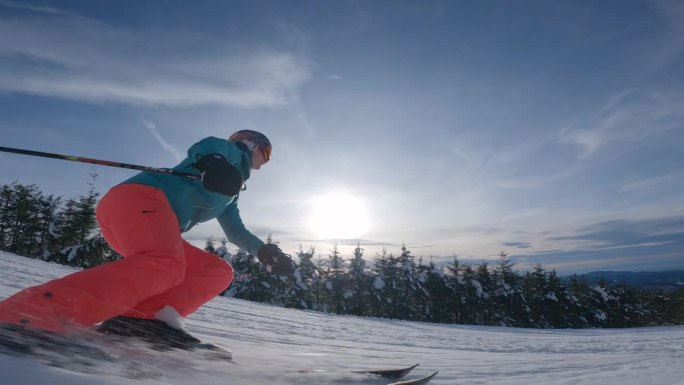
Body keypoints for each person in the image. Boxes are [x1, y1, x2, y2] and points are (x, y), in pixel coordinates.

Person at [0, 130, 295, 344]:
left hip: (148, 220)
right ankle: (32, 314)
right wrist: (214, 162)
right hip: (139, 199)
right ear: (250, 144)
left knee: (214, 271)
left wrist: (263, 252)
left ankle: (141, 320)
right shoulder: (230, 153)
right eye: (265, 153)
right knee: (166, 262)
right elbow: (206, 146)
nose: (263, 162)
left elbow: (236, 232)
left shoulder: (230, 192)